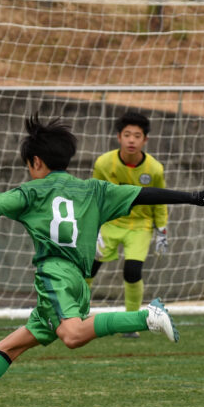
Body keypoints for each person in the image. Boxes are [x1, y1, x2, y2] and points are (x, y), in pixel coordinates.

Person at [0, 113, 204, 407]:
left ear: (36, 162)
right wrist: (196, 197)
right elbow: (143, 195)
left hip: (54, 274)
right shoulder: (94, 190)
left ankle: (146, 316)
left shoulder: (31, 192)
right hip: (79, 281)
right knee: (9, 347)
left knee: (73, 335)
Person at [87, 111, 167, 338]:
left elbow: (160, 200)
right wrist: (93, 228)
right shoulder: (104, 163)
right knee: (88, 268)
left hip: (140, 225)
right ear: (118, 137)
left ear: (145, 140)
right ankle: (73, 314)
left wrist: (162, 230)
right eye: (127, 135)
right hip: (110, 223)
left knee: (132, 271)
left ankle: (131, 324)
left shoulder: (154, 169)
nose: (132, 140)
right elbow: (94, 197)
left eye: (137, 136)